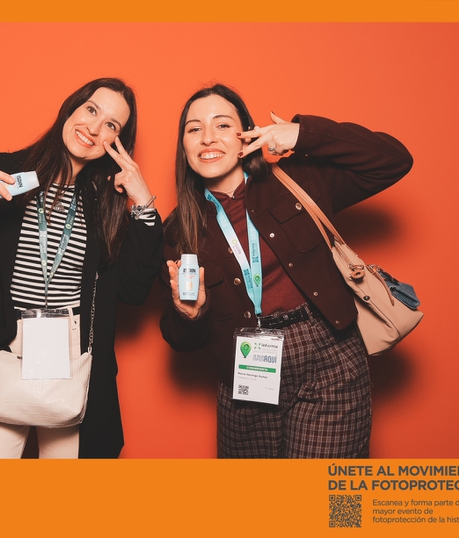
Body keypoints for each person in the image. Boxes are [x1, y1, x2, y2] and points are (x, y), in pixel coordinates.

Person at [0, 78, 162, 459]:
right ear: (71, 108)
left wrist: (143, 205)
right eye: (91, 110)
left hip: (75, 362)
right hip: (0, 351)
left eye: (111, 125)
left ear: (119, 142)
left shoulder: (107, 203)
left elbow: (134, 290)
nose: (95, 128)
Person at [159, 84, 413, 458]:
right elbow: (181, 340)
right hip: (244, 369)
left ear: (246, 133)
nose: (208, 137)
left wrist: (302, 133)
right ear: (184, 147)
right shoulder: (177, 230)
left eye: (223, 124)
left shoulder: (297, 180)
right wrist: (189, 314)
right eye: (194, 129)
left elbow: (394, 160)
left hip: (327, 353)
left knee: (320, 493)